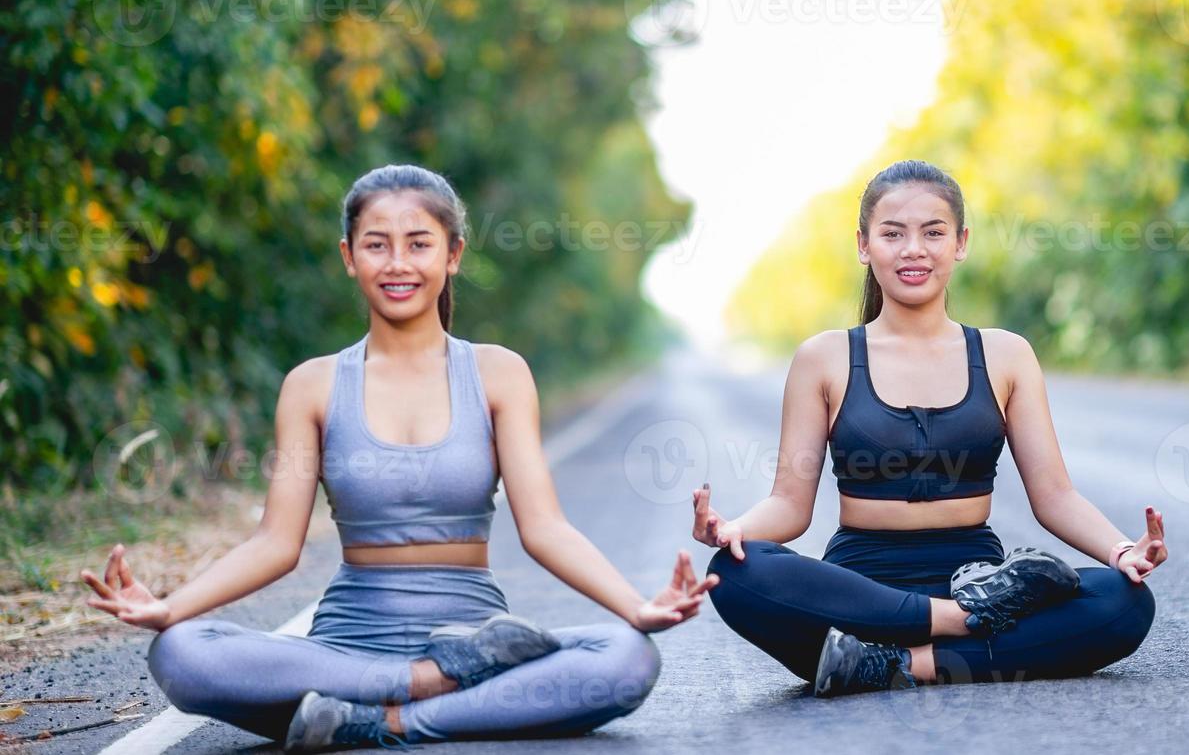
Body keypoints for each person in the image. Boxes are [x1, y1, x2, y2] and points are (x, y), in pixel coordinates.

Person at [81, 164, 717, 750]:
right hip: (346, 646)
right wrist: (170, 607)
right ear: (349, 258)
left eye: (419, 243)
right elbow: (276, 544)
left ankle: (373, 722)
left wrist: (635, 607)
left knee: (627, 657)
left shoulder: (499, 374)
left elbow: (544, 527)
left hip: (476, 638)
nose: (397, 262)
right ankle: (434, 689)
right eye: (376, 244)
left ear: (453, 254)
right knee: (181, 653)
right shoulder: (313, 384)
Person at [695, 159, 1167, 697]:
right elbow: (789, 504)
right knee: (735, 571)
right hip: (861, 588)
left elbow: (1055, 494)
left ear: (961, 242)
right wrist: (736, 531)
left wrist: (1121, 550)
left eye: (933, 232)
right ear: (864, 244)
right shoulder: (823, 358)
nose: (913, 249)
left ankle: (887, 663)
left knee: (1124, 601)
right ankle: (962, 626)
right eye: (892, 233)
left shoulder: (1006, 355)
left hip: (977, 574)